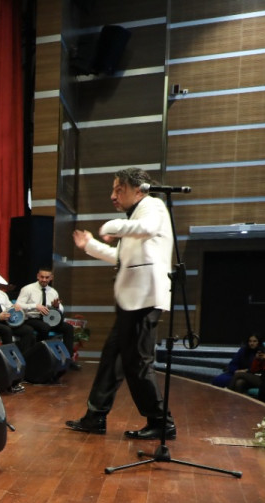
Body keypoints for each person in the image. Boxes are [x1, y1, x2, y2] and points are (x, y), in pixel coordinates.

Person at [66, 168, 174, 439]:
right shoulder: (136, 215)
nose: (113, 195)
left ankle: (162, 422)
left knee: (137, 363)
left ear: (139, 190)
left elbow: (147, 229)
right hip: (132, 301)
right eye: (113, 189)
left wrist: (110, 226)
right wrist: (90, 245)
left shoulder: (153, 206)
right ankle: (95, 416)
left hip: (144, 299)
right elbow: (120, 258)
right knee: (112, 359)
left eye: (119, 189)